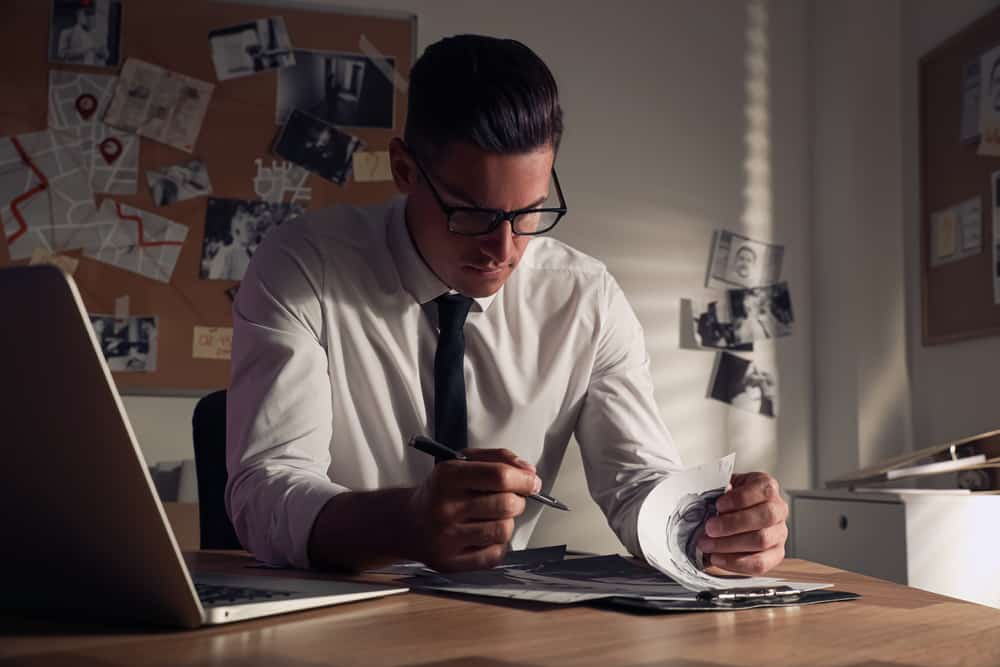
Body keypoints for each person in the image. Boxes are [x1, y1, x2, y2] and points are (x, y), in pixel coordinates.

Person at [226, 35, 789, 575]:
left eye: (529, 214)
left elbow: (637, 483)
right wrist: (406, 522)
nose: (503, 250)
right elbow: (264, 490)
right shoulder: (302, 266)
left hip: (504, 619)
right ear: (403, 170)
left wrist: (707, 532)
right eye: (471, 213)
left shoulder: (584, 298)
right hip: (339, 610)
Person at [208, 205, 257, 280]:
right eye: (248, 228)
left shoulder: (256, 253)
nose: (252, 232)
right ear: (236, 232)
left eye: (253, 229)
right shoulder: (225, 253)